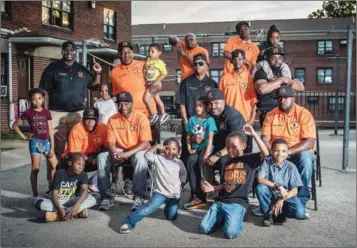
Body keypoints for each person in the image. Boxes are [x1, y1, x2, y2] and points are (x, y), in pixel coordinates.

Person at [199, 125, 269, 239]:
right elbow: (226, 184)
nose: (230, 150)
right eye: (228, 147)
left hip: (237, 203)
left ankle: (235, 217)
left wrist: (254, 134)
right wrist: (213, 188)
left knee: (230, 233)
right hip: (220, 202)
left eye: (234, 147)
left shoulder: (250, 159)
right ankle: (222, 218)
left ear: (243, 146)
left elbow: (265, 153)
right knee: (203, 228)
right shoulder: (225, 161)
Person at [39, 40, 102, 157]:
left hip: (77, 114)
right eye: (66, 50)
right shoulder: (52, 68)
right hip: (57, 113)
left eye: (72, 50)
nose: (69, 52)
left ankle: (74, 174)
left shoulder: (82, 69)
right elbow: (44, 91)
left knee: (77, 148)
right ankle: (57, 174)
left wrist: (97, 73)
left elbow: (94, 87)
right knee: (57, 150)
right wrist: (46, 113)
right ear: (62, 52)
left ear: (75, 52)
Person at [261, 85, 316, 208]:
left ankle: (300, 201)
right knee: (262, 157)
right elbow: (265, 139)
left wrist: (288, 152)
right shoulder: (271, 115)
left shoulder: (304, 114)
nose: (282, 100)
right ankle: (269, 200)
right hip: (276, 153)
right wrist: (273, 152)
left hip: (296, 153)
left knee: (306, 157)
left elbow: (310, 142)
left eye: (286, 97)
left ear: (293, 98)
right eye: (279, 98)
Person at [96, 92, 152, 211]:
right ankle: (106, 197)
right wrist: (114, 153)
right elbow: (111, 142)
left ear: (132, 104)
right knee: (101, 157)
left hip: (138, 149)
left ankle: (139, 196)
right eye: (120, 104)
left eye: (126, 104)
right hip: (120, 149)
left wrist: (127, 153)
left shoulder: (141, 118)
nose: (123, 107)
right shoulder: (112, 119)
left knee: (140, 158)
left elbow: (145, 143)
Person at [119, 138, 187, 234]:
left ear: (178, 151)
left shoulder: (179, 162)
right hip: (160, 193)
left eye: (174, 149)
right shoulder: (158, 158)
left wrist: (182, 184)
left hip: (175, 195)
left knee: (171, 216)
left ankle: (168, 207)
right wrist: (156, 146)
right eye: (167, 148)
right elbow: (147, 155)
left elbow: (183, 174)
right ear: (163, 148)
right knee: (147, 209)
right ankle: (128, 222)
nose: (170, 151)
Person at [12, 88, 58, 202]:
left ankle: (53, 189)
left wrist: (52, 147)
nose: (36, 101)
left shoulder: (46, 112)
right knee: (35, 169)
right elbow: (15, 125)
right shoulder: (28, 113)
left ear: (43, 99)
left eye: (39, 98)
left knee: (56, 166)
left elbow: (50, 131)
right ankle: (35, 194)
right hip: (35, 142)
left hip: (47, 142)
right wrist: (23, 137)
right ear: (30, 100)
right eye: (33, 99)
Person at [110, 41, 160, 143]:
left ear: (132, 53)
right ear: (119, 54)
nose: (126, 55)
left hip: (150, 114)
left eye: (129, 52)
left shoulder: (144, 65)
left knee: (153, 147)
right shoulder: (114, 73)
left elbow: (157, 82)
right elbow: (116, 96)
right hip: (130, 117)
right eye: (123, 52)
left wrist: (157, 85)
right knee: (134, 146)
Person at [175, 53, 217, 175]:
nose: (197, 66)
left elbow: (214, 104)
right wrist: (186, 122)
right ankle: (186, 180)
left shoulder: (212, 84)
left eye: (200, 63)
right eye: (195, 64)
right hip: (190, 123)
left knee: (206, 152)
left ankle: (207, 180)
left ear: (207, 66)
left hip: (207, 124)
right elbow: (181, 103)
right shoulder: (186, 82)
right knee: (188, 154)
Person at [256, 138, 309, 227]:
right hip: (270, 193)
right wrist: (278, 187)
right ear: (271, 151)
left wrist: (281, 199)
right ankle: (268, 214)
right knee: (260, 188)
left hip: (285, 195)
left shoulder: (291, 166)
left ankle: (281, 212)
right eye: (276, 151)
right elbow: (260, 179)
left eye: (284, 151)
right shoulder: (266, 161)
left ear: (288, 152)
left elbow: (295, 190)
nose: (280, 154)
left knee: (300, 212)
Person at [33, 153, 99, 222]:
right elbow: (54, 193)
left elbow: (85, 191)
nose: (81, 167)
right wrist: (59, 208)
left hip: (72, 200)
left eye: (83, 165)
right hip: (57, 201)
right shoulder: (60, 173)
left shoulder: (83, 174)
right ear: (70, 163)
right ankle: (75, 213)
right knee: (37, 202)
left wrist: (77, 205)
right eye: (78, 164)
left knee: (96, 196)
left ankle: (58, 215)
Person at [254, 46, 304, 127]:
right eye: (273, 58)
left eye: (280, 58)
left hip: (285, 112)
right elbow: (262, 89)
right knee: (270, 139)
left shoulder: (284, 72)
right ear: (267, 59)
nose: (277, 60)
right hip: (269, 113)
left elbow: (301, 87)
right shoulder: (261, 72)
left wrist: (286, 80)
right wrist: (280, 80)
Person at [219, 49, 257, 152]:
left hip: (245, 121)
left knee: (246, 153)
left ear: (244, 61)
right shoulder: (224, 79)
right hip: (228, 120)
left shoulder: (250, 79)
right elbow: (219, 102)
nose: (237, 61)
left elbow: (254, 102)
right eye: (235, 59)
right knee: (229, 151)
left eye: (240, 59)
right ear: (231, 61)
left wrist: (251, 120)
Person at [61, 108, 107, 192]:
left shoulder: (103, 128)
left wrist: (102, 158)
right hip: (72, 157)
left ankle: (93, 183)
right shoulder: (77, 129)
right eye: (87, 119)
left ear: (97, 120)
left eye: (93, 119)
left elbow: (107, 146)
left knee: (108, 158)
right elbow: (76, 153)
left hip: (92, 155)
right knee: (76, 161)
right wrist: (93, 161)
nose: (90, 122)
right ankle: (74, 186)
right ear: (83, 120)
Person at [184, 98, 217, 210]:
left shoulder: (210, 120)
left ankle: (204, 193)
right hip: (195, 148)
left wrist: (207, 154)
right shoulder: (192, 119)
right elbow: (188, 135)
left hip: (206, 147)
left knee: (202, 161)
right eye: (197, 105)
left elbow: (211, 138)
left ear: (206, 108)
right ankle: (195, 194)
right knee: (191, 161)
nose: (197, 107)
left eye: (200, 106)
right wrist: (189, 147)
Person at [204, 89, 246, 174]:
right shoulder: (207, 115)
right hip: (214, 147)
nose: (213, 106)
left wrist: (217, 155)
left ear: (224, 101)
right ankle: (207, 185)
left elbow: (236, 144)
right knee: (194, 159)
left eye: (216, 103)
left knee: (224, 161)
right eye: (210, 103)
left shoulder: (233, 116)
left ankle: (224, 186)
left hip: (232, 149)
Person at [143, 43, 169, 125]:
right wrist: (147, 62)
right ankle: (164, 114)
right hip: (150, 83)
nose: (150, 53)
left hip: (154, 83)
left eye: (152, 51)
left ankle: (154, 115)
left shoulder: (159, 62)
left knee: (146, 98)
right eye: (149, 51)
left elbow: (164, 73)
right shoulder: (149, 61)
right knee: (157, 99)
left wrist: (157, 81)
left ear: (159, 53)